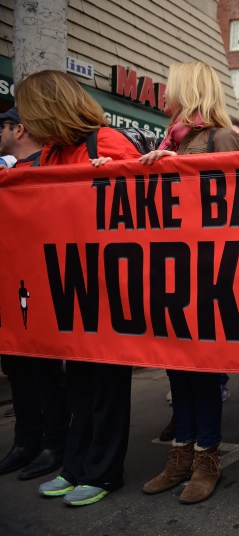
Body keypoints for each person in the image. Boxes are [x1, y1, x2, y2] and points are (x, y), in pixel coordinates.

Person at [16, 69, 142, 506]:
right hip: (69, 288)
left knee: (107, 384)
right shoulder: (52, 153)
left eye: (30, 114)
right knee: (80, 384)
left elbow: (141, 213)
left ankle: (104, 473)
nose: (24, 125)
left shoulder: (107, 143)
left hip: (108, 288)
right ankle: (74, 467)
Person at [139, 61, 239, 505]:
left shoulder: (220, 136)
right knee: (177, 369)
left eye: (170, 86)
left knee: (202, 371)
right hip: (173, 271)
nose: (164, 94)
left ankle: (206, 459)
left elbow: (236, 207)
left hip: (208, 272)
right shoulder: (171, 142)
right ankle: (180, 454)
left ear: (187, 90)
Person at [0, 107, 69, 483]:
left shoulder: (50, 166)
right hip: (10, 284)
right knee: (18, 369)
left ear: (18, 129)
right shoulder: (8, 172)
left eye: (3, 126)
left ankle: (54, 443)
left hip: (40, 284)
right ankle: (26, 441)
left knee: (45, 370)